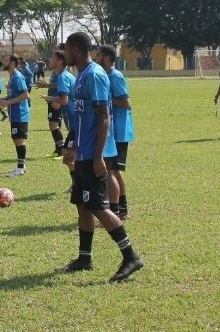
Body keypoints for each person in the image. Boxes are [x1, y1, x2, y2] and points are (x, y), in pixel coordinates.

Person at [58, 32, 143, 282]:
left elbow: (104, 117)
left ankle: (130, 256)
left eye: (67, 50)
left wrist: (98, 157)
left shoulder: (94, 75)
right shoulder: (81, 76)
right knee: (82, 205)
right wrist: (72, 146)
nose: (65, 55)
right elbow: (81, 118)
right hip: (83, 152)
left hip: (96, 153)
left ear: (75, 49)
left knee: (97, 207)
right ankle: (85, 258)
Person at [96, 45, 134, 220]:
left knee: (111, 171)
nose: (95, 57)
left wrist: (105, 101)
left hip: (118, 131)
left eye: (98, 54)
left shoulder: (115, 75)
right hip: (112, 131)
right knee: (114, 171)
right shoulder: (105, 75)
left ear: (105, 58)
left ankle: (115, 212)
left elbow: (126, 102)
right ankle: (122, 209)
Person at [0, 55, 30, 176]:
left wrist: (8, 102)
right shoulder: (12, 77)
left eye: (6, 60)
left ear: (12, 63)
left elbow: (25, 95)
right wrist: (4, 100)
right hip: (15, 113)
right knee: (16, 139)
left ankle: (20, 168)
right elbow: (15, 95)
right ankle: (21, 166)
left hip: (20, 114)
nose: (3, 62)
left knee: (18, 140)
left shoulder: (17, 77)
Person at [35, 53, 67, 159]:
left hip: (57, 100)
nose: (49, 59)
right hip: (52, 99)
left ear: (59, 61)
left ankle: (61, 151)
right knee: (52, 124)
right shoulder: (55, 71)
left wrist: (46, 85)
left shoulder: (62, 73)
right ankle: (58, 150)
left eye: (53, 57)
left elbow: (61, 85)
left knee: (54, 125)